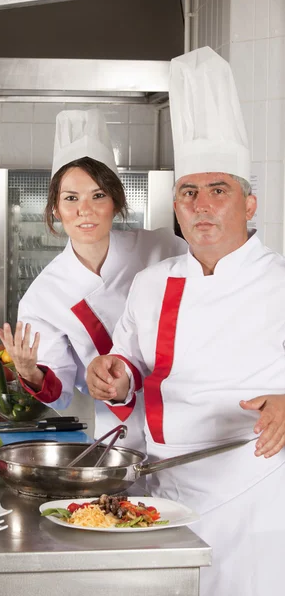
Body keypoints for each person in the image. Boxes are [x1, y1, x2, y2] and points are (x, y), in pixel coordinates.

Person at [86, 47, 285, 596]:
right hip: (163, 484)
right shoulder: (152, 283)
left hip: (257, 491)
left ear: (249, 205)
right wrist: (114, 375)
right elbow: (128, 367)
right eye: (188, 192)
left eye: (218, 191)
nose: (201, 205)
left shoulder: (281, 282)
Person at [0, 108, 187, 450]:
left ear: (115, 202)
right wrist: (29, 372)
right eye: (71, 198)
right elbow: (60, 391)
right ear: (55, 208)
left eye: (98, 195)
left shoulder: (164, 249)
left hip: (190, 420)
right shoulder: (43, 296)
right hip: (117, 436)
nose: (85, 210)